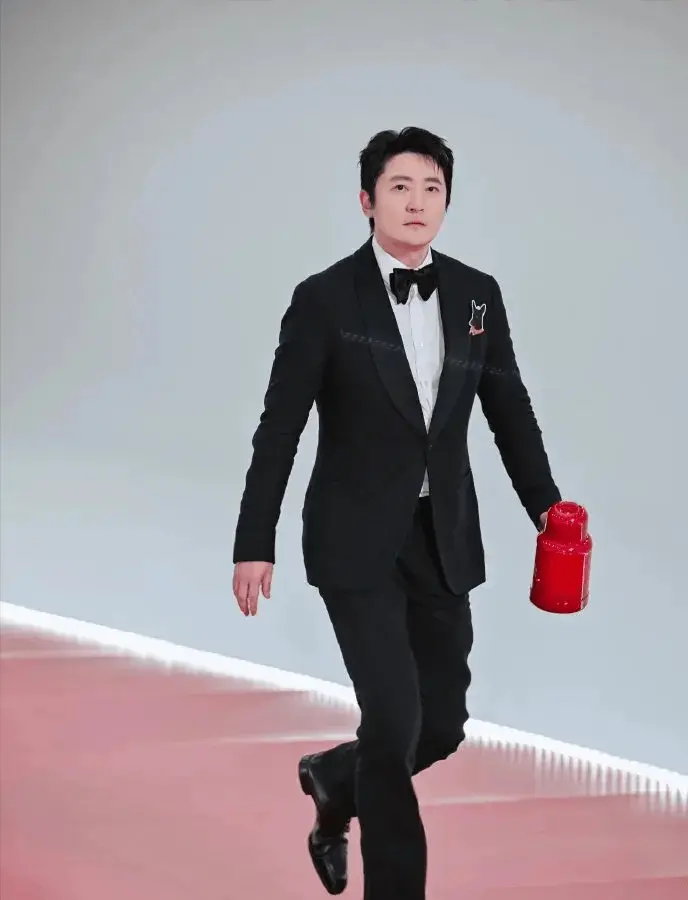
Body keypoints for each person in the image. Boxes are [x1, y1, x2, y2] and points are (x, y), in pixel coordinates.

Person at [232, 127, 561, 900]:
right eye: (400, 187)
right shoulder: (324, 299)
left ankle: (333, 779)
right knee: (391, 722)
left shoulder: (477, 293)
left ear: (447, 202)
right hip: (354, 540)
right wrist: (254, 539)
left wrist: (548, 509)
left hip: (441, 537)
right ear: (367, 201)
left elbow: (509, 408)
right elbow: (280, 426)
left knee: (438, 726)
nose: (417, 203)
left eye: (432, 189)